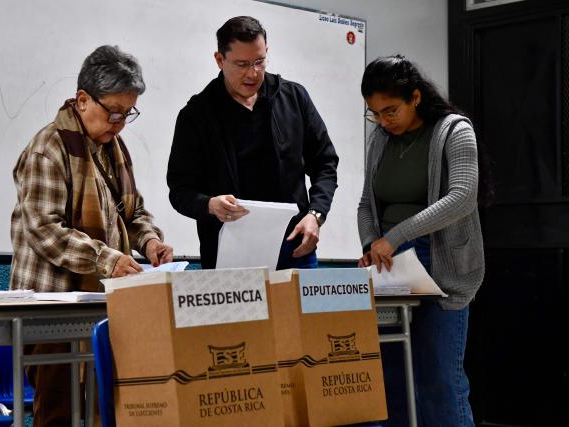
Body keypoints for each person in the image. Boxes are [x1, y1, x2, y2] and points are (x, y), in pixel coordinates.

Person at [10, 45, 173, 426]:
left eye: (127, 113)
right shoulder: (48, 148)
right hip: (52, 309)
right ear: (83, 99)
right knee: (59, 416)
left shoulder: (112, 147)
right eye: (113, 112)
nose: (119, 123)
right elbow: (45, 229)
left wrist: (149, 241)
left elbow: (133, 211)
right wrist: (108, 259)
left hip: (102, 306)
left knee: (108, 413)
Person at [357, 55, 485, 426]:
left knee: (439, 379)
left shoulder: (454, 130)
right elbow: (367, 202)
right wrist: (371, 243)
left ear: (415, 97)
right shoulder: (380, 139)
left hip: (441, 264)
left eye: (390, 110)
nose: (383, 121)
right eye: (375, 113)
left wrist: (394, 236)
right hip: (389, 265)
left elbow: (461, 197)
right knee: (391, 379)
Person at [167, 16, 338, 269]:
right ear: (219, 60)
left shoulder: (294, 98)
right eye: (242, 64)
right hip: (228, 254)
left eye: (259, 62)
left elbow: (325, 163)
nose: (253, 73)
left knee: (298, 311)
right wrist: (209, 205)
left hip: (294, 245)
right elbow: (180, 191)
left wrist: (316, 214)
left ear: (267, 51)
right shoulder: (197, 115)